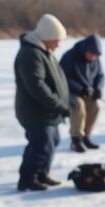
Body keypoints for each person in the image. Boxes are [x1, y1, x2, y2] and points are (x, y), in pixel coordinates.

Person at [14, 13, 69, 191]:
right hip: (35, 111)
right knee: (41, 144)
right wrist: (59, 105)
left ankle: (42, 173)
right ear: (47, 37)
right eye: (56, 40)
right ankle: (28, 178)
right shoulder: (30, 54)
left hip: (48, 110)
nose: (59, 44)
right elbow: (37, 86)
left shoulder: (45, 52)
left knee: (53, 140)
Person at [59, 34, 105, 153]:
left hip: (87, 92)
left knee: (96, 106)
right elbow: (62, 78)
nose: (93, 57)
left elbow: (100, 75)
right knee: (78, 106)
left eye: (96, 55)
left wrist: (98, 89)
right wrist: (79, 88)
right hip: (69, 92)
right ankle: (76, 140)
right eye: (91, 54)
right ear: (85, 49)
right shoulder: (69, 56)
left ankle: (86, 137)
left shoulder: (95, 59)